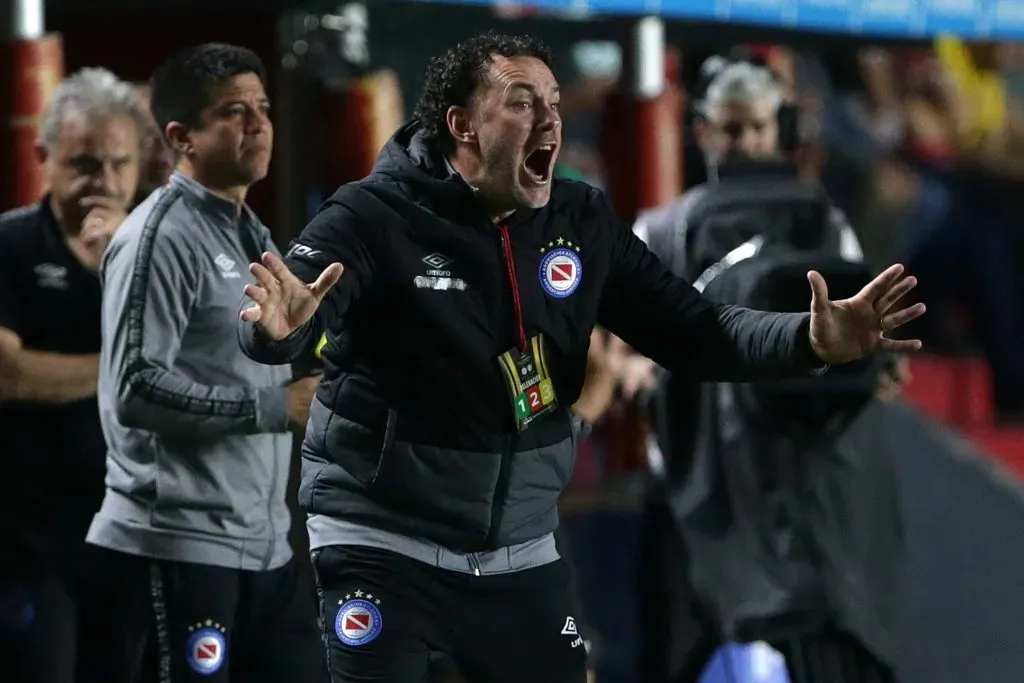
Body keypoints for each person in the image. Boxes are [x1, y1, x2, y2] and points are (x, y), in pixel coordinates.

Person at [236, 32, 924, 683]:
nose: (550, 122)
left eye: (556, 104)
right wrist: (278, 332)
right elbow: (300, 308)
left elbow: (699, 329)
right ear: (463, 125)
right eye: (522, 103)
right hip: (383, 544)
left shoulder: (581, 221)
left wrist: (807, 340)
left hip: (521, 550)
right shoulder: (369, 217)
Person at [633, 55, 907, 683]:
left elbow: (864, 327)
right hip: (694, 471)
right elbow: (637, 343)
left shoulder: (825, 223)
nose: (745, 144)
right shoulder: (662, 230)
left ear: (775, 129)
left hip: (806, 475)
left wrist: (878, 363)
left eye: (756, 128)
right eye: (730, 130)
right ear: (702, 131)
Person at [85, 44, 324, 683]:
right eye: (233, 112)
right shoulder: (160, 236)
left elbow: (253, 366)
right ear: (180, 137)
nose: (258, 124)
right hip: (178, 549)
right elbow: (134, 390)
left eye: (264, 108)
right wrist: (278, 406)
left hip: (265, 550)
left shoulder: (254, 236)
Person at [0, 67, 144, 683]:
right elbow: (8, 374)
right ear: (44, 157)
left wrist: (123, 269)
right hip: (32, 539)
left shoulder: (157, 251)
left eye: (119, 164)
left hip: (138, 534)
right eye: (85, 164)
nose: (104, 184)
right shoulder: (10, 244)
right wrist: (124, 369)